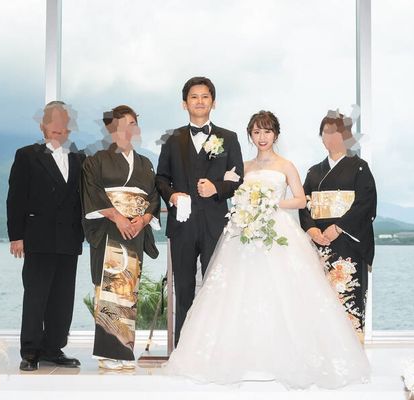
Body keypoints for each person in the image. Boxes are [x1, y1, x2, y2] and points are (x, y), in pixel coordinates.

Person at [164, 111, 370, 389]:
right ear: (250, 135)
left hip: (277, 231)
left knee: (282, 292)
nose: (262, 137)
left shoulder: (286, 166)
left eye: (267, 131)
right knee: (240, 292)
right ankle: (243, 358)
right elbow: (231, 193)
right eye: (257, 132)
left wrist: (270, 204)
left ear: (276, 134)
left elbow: (300, 200)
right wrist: (245, 206)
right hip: (245, 231)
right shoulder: (242, 167)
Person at [155, 77, 244, 346]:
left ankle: (214, 348)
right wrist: (172, 195)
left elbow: (238, 179)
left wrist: (217, 188)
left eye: (205, 96)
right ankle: (182, 349)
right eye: (194, 97)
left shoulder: (229, 138)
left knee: (215, 287)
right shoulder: (172, 139)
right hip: (181, 225)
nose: (200, 101)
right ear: (185, 103)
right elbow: (161, 178)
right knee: (182, 289)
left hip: (215, 225)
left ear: (213, 102)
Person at [6, 101, 85, 371]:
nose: (58, 127)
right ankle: (30, 352)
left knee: (63, 299)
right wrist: (16, 236)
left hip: (69, 239)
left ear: (69, 128)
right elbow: (15, 198)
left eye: (63, 122)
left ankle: (53, 349)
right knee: (36, 297)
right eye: (53, 121)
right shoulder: (27, 155)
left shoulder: (79, 158)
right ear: (42, 126)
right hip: (38, 238)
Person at [81, 105, 160, 370]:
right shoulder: (95, 160)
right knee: (110, 288)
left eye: (132, 124)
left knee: (129, 291)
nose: (128, 130)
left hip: (135, 231)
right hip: (109, 229)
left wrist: (144, 219)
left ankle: (124, 351)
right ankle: (107, 353)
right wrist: (118, 217)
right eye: (121, 125)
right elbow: (92, 192)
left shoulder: (146, 164)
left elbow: (153, 197)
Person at [299, 110, 377, 342]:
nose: (330, 137)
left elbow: (366, 203)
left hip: (347, 243)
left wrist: (339, 227)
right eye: (325, 132)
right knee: (320, 302)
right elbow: (303, 203)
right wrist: (311, 229)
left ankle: (353, 350)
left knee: (349, 298)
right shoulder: (314, 172)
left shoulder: (360, 167)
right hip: (319, 243)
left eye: (336, 132)